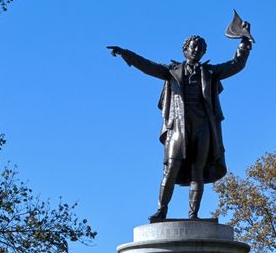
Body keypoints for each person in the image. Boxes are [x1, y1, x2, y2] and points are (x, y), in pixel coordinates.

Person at [108, 26, 253, 221]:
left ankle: (193, 215)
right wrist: (127, 54)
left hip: (203, 127)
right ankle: (161, 210)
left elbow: (236, 64)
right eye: (193, 47)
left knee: (197, 170)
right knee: (171, 167)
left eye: (200, 49)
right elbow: (148, 66)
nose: (196, 51)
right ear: (184, 50)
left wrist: (244, 42)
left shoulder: (210, 72)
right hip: (178, 127)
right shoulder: (172, 71)